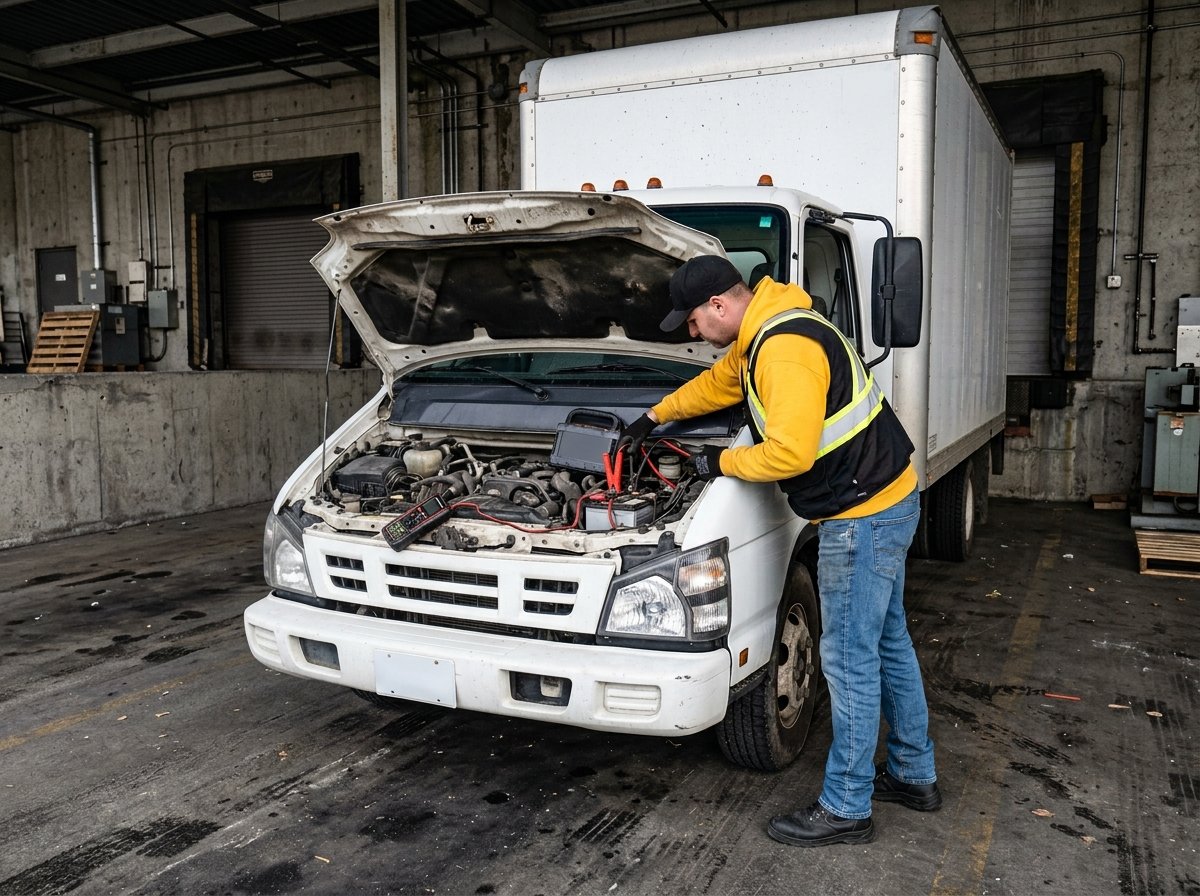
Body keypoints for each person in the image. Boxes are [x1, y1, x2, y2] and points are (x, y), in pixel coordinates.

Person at [618, 254, 941, 847]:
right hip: (884, 501)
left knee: (848, 661)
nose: (692, 334)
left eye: (692, 322)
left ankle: (847, 808)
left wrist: (720, 462)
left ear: (719, 305)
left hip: (861, 516)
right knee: (887, 642)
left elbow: (789, 455)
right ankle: (914, 773)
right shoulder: (764, 328)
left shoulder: (784, 348)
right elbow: (720, 384)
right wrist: (652, 417)